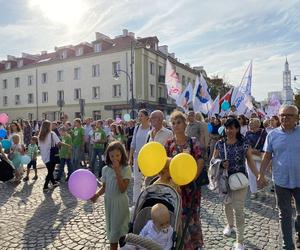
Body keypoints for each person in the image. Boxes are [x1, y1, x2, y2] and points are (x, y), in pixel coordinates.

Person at [212, 118, 258, 250]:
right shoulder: (219, 144)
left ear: (237, 129)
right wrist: (220, 163)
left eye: (232, 128)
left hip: (239, 180)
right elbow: (213, 160)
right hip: (224, 180)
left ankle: (240, 240)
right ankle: (230, 225)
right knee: (227, 204)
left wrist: (258, 175)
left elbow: (250, 160)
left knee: (238, 209)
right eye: (227, 128)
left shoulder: (244, 143)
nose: (229, 131)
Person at [258, 105, 300, 249]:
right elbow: (267, 155)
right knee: (285, 213)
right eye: (282, 114)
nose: (285, 117)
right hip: (281, 181)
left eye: (289, 115)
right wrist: (261, 174)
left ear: (297, 118)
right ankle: (287, 245)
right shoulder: (272, 135)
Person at [165, 111, 205, 249]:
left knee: (192, 217)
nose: (176, 125)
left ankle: (194, 244)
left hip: (191, 188)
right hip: (175, 188)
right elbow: (164, 164)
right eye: (173, 123)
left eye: (179, 122)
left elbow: (200, 160)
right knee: (177, 217)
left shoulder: (192, 142)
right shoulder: (169, 144)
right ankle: (180, 244)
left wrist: (193, 177)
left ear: (185, 124)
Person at [91, 141, 131, 250]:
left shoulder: (126, 169)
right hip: (109, 203)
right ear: (108, 156)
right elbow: (104, 187)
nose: (114, 158)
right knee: (112, 229)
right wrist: (97, 195)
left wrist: (118, 171)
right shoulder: (105, 169)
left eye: (117, 155)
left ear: (122, 155)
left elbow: (122, 189)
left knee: (119, 232)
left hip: (120, 203)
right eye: (112, 155)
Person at [129, 109, 151, 207]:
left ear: (147, 117)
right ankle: (136, 201)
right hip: (137, 157)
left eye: (141, 115)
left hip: (148, 158)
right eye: (139, 116)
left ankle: (146, 200)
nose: (139, 117)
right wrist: (130, 158)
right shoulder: (137, 128)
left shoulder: (151, 129)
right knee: (137, 180)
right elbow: (133, 144)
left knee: (147, 180)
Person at [39, 120, 68, 191]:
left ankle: (53, 182)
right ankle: (45, 186)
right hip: (51, 155)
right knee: (50, 171)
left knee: (50, 170)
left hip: (44, 156)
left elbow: (40, 146)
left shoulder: (40, 135)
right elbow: (59, 143)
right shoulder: (52, 134)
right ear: (49, 126)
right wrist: (68, 145)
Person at [245, 118, 267, 199]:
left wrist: (259, 151)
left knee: (260, 173)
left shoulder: (263, 132)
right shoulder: (248, 133)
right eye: (249, 123)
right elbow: (246, 144)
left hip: (260, 156)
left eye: (251, 123)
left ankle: (262, 190)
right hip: (250, 156)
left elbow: (265, 143)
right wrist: (251, 150)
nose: (250, 124)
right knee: (251, 174)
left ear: (257, 124)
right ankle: (253, 191)